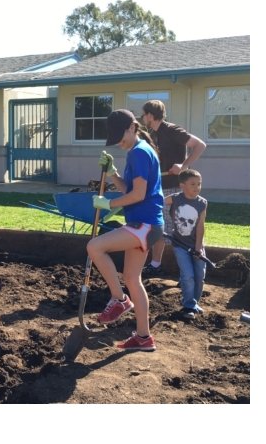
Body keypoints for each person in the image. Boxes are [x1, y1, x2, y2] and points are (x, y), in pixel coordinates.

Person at [86, 109, 164, 351]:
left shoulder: (139, 153)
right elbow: (128, 190)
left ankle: (119, 300)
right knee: (132, 278)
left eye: (120, 136)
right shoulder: (138, 152)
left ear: (132, 127)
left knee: (94, 247)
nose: (118, 142)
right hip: (146, 225)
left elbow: (138, 195)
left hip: (144, 224)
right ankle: (143, 337)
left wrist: (108, 204)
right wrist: (113, 174)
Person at [141, 99, 206, 275]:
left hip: (176, 188)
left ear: (150, 115)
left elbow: (200, 145)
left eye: (144, 114)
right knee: (159, 226)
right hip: (160, 187)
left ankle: (191, 269)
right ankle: (155, 265)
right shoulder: (152, 134)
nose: (143, 118)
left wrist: (183, 167)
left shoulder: (172, 130)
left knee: (182, 229)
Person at [166, 168, 208, 320]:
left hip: (197, 245)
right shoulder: (176, 198)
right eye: (193, 184)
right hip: (180, 245)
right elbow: (156, 201)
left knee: (199, 276)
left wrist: (198, 247)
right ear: (182, 185)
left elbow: (201, 226)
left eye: (199, 184)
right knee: (188, 275)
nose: (197, 187)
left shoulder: (202, 203)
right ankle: (189, 305)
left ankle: (195, 302)